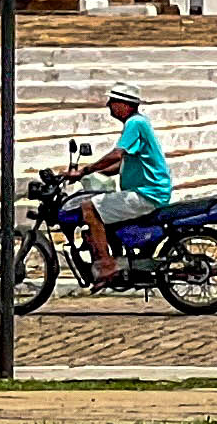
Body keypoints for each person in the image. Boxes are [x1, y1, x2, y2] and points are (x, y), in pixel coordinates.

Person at [59, 87, 172, 281]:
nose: (108, 106)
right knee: (103, 206)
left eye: (112, 102)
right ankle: (115, 256)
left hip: (146, 193)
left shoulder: (134, 123)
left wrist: (85, 170)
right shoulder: (139, 123)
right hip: (148, 191)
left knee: (89, 208)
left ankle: (106, 264)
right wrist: (97, 172)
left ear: (124, 104)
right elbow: (123, 163)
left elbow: (116, 154)